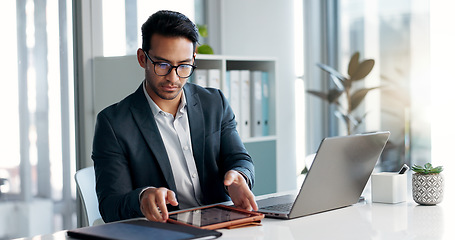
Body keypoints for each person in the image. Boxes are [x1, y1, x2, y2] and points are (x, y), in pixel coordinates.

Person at [92, 10, 257, 223]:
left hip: (222, 225)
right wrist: (142, 198)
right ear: (142, 58)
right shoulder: (114, 124)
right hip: (165, 231)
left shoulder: (214, 103)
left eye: (184, 66)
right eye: (162, 65)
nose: (173, 77)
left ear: (193, 59)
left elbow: (239, 158)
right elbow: (110, 206)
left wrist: (239, 176)